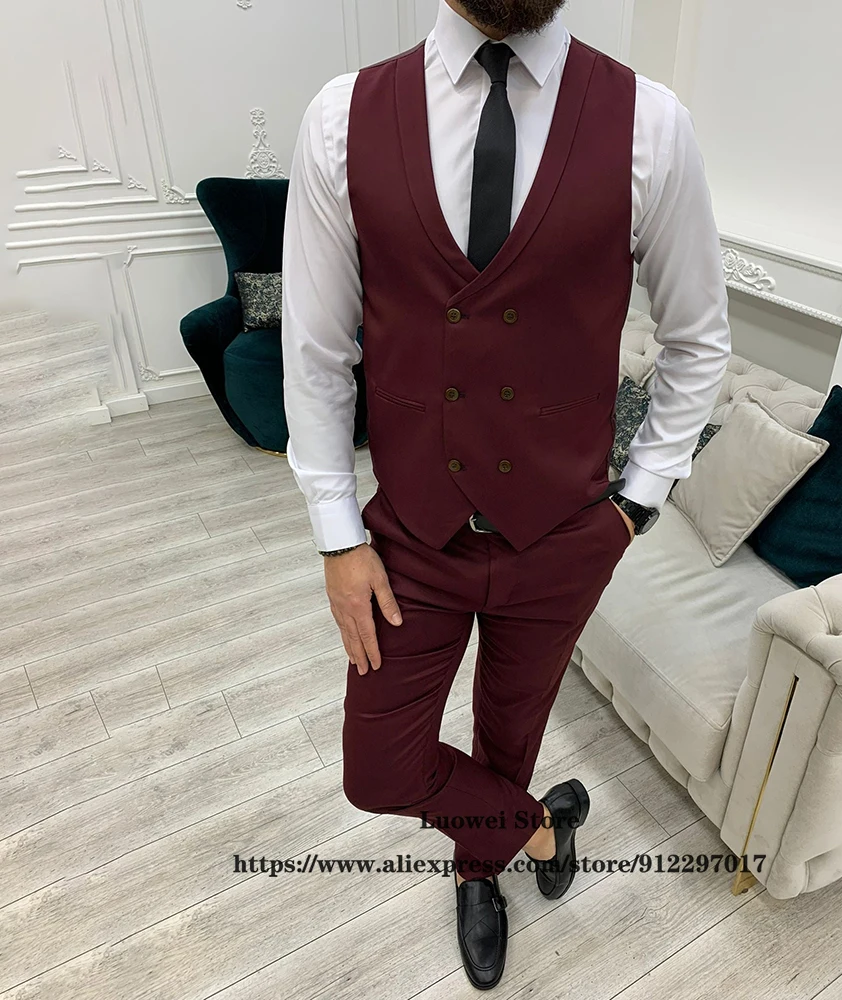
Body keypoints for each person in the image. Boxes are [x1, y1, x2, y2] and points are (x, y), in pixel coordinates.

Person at [281, 0, 731, 988]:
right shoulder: (342, 118)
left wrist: (636, 503)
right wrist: (335, 537)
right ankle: (537, 831)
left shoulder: (651, 123)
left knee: (512, 731)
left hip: (563, 538)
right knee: (379, 769)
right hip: (408, 541)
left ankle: (476, 870)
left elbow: (699, 341)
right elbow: (314, 352)